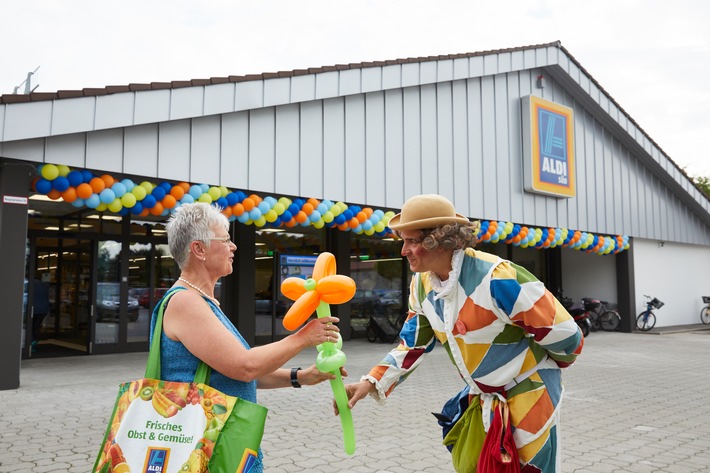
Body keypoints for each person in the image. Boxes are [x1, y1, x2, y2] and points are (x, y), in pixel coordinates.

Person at [340, 194, 584, 472]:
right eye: (403, 241)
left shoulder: (498, 277)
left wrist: (542, 369)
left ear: (439, 239)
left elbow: (567, 336)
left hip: (532, 392)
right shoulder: (421, 286)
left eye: (411, 241)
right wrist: (371, 382)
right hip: (484, 399)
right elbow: (412, 346)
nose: (403, 251)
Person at [154, 202, 342, 472]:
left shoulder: (202, 300)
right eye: (226, 239)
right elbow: (245, 366)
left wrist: (300, 376)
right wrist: (302, 338)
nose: (234, 246)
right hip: (207, 448)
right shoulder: (186, 302)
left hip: (218, 442)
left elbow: (233, 370)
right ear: (199, 249)